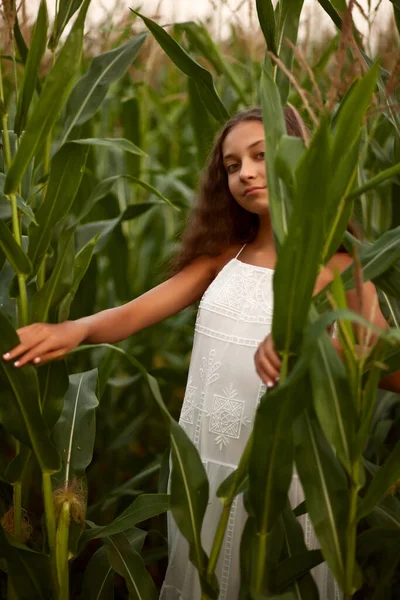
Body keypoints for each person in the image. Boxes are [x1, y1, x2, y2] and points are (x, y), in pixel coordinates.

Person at [3, 107, 399, 599]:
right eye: (232, 166)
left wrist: (315, 343)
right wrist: (75, 328)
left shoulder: (345, 267)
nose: (246, 172)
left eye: (260, 155)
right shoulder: (222, 258)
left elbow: (382, 364)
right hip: (206, 467)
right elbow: (132, 314)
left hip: (290, 472)